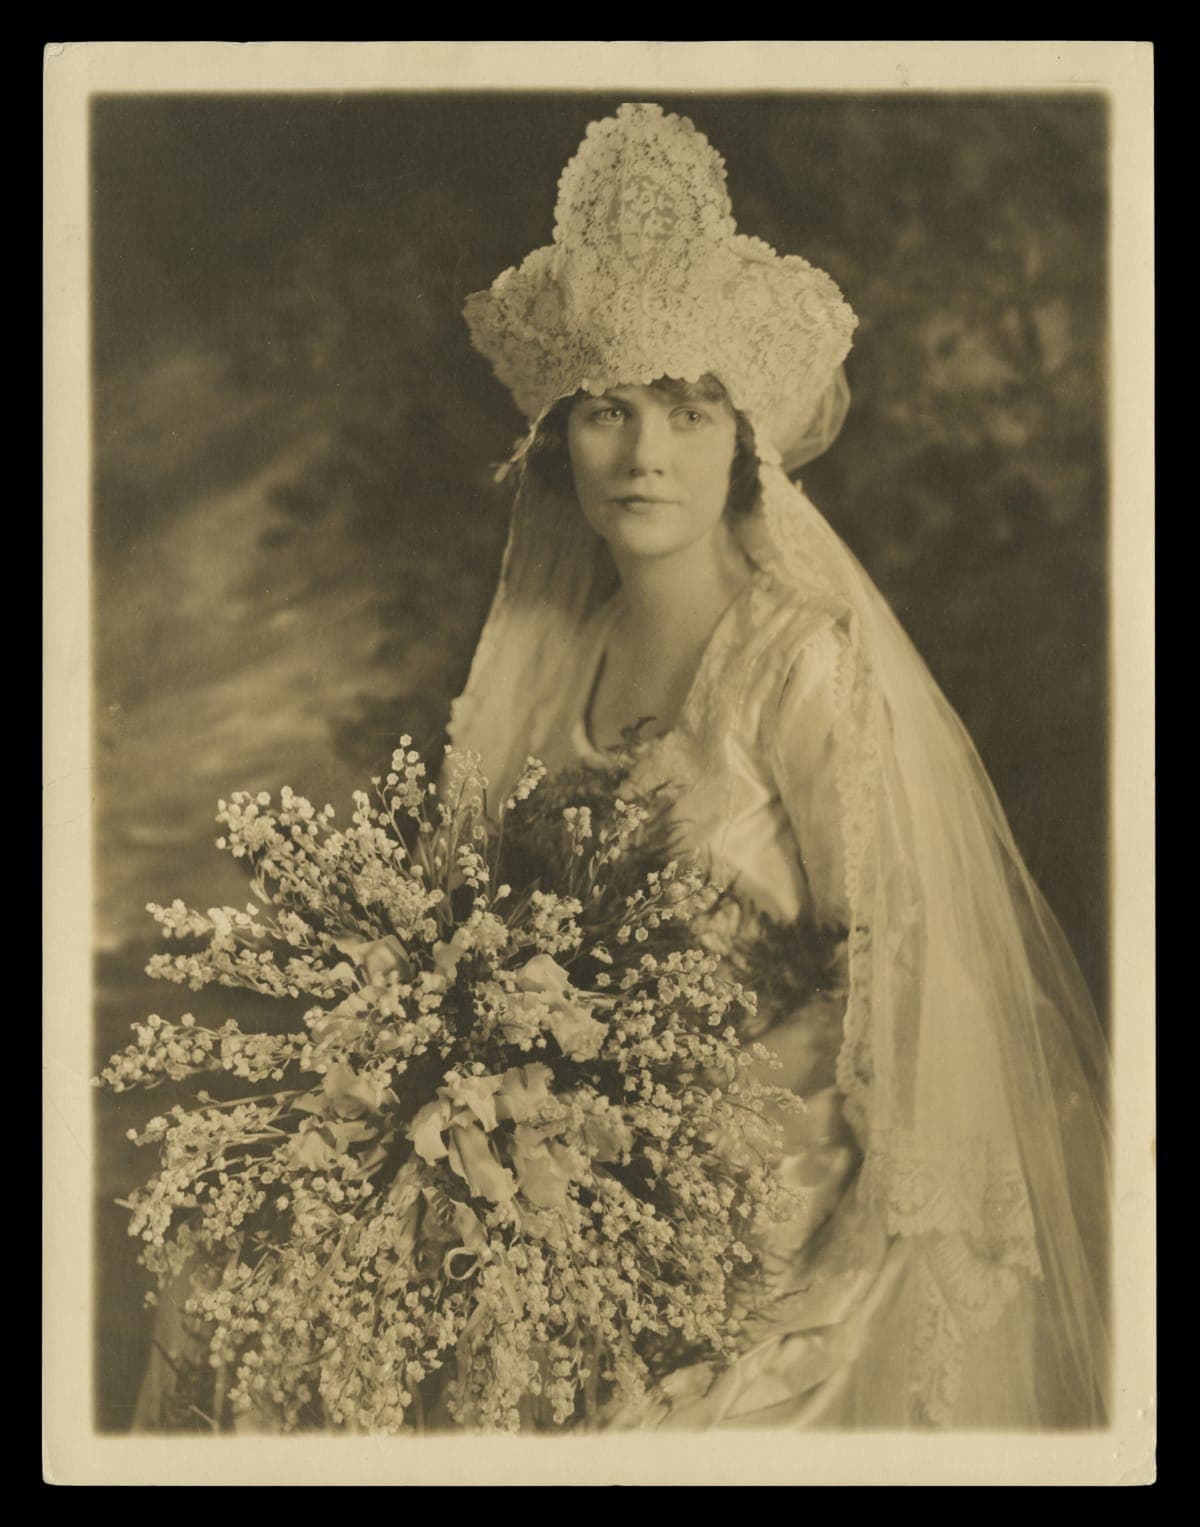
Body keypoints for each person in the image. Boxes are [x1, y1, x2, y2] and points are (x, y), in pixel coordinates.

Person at [449, 102, 1111, 1429]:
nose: (644, 457)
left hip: (784, 1214)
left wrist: (711, 1162)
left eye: (688, 413)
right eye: (606, 413)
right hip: (560, 1205)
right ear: (555, 440)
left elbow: (902, 971)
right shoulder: (546, 660)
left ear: (744, 440)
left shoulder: (803, 664)